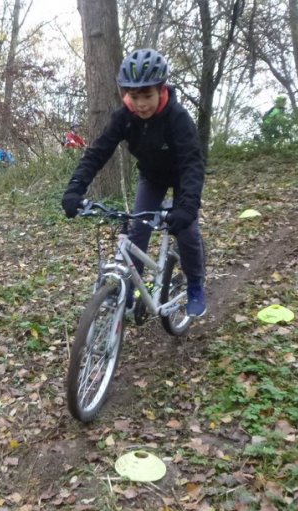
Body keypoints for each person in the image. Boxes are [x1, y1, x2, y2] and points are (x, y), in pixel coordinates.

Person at [61, 48, 207, 317]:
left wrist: (186, 207)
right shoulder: (124, 117)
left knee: (186, 232)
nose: (141, 104)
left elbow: (192, 164)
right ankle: (130, 291)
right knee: (137, 233)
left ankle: (196, 284)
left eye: (147, 96)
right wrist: (75, 189)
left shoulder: (177, 118)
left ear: (161, 90)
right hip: (151, 177)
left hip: (182, 178)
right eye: (134, 96)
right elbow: (97, 152)